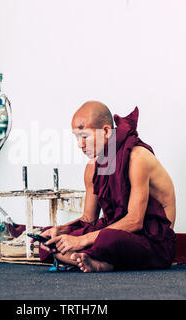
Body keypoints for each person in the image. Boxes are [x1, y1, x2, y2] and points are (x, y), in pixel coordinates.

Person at [35, 101, 176, 272]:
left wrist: (81, 241)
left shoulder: (137, 158)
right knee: (51, 239)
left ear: (107, 131)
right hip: (117, 231)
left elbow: (135, 222)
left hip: (153, 243)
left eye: (85, 136)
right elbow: (88, 219)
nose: (80, 144)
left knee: (108, 239)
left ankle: (93, 259)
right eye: (76, 137)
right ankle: (96, 261)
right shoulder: (93, 167)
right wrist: (61, 230)